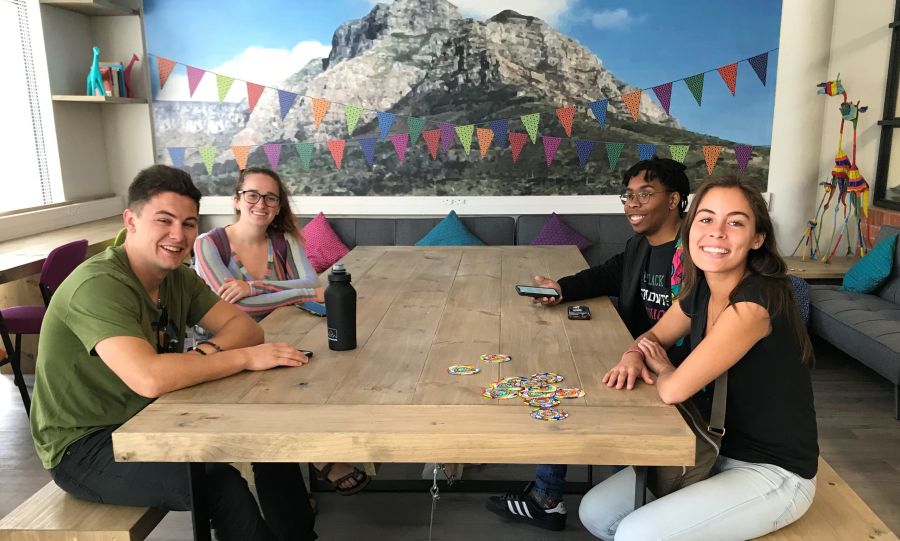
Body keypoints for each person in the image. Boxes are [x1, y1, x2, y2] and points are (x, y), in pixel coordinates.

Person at [30, 165, 318, 541]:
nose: (177, 235)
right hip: (84, 445)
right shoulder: (99, 285)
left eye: (188, 223)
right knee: (218, 485)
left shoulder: (178, 278)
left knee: (269, 437)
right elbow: (150, 378)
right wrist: (244, 358)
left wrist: (201, 357)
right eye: (163, 220)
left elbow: (247, 328)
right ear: (130, 220)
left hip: (150, 416)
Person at [579, 176, 818, 540]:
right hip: (708, 445)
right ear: (690, 229)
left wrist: (663, 367)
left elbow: (673, 390)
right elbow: (654, 336)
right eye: (706, 219)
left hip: (773, 470)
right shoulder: (702, 288)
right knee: (596, 513)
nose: (717, 232)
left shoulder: (755, 303)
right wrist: (632, 354)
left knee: (638, 534)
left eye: (735, 222)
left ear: (757, 239)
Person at [486, 156, 691, 531]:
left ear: (675, 199)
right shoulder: (639, 247)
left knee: (571, 381)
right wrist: (560, 288)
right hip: (634, 355)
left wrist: (641, 359)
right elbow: (604, 275)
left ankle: (632, 501)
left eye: (645, 194)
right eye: (628, 196)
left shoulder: (693, 253)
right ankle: (552, 496)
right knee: (558, 371)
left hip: (675, 373)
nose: (633, 204)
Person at [193, 166, 369, 495]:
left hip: (285, 334)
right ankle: (319, 460)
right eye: (252, 195)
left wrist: (252, 286)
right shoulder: (208, 244)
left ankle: (308, 479)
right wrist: (294, 293)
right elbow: (236, 311)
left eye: (270, 198)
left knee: (343, 365)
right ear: (236, 200)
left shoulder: (284, 240)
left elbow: (310, 285)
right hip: (228, 348)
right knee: (280, 400)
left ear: (278, 205)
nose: (261, 203)